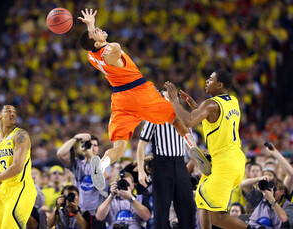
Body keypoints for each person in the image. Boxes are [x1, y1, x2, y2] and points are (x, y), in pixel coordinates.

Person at [78, 8, 210, 190]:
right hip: (139, 92)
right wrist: (110, 44)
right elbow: (111, 51)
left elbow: (92, 44)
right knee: (176, 119)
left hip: (120, 100)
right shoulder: (110, 51)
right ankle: (192, 148)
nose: (100, 29)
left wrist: (92, 28)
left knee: (120, 145)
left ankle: (101, 165)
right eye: (97, 32)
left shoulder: (91, 55)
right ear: (96, 41)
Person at [164, 70, 252, 229]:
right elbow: (215, 117)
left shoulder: (210, 104)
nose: (206, 81)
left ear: (220, 85)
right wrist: (195, 106)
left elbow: (189, 121)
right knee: (201, 199)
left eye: (210, 79)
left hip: (224, 163)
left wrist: (173, 100)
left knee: (218, 218)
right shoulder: (232, 101)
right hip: (235, 160)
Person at [0, 104, 37, 228]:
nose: (13, 114)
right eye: (8, 111)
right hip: (3, 190)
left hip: (21, 188)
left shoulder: (21, 135)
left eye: (14, 111)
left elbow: (17, 167)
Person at [137, 119, 196, 229]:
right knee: (161, 210)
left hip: (180, 163)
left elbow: (190, 144)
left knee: (187, 208)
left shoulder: (182, 117)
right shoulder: (154, 119)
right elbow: (142, 143)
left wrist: (198, 165)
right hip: (161, 164)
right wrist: (141, 170)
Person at [57, 133, 109, 228]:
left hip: (96, 214)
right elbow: (60, 154)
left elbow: (103, 177)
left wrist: (90, 156)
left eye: (95, 145)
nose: (92, 148)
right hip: (79, 212)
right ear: (83, 147)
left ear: (98, 149)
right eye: (89, 145)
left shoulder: (104, 163)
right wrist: (75, 138)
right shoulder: (78, 164)